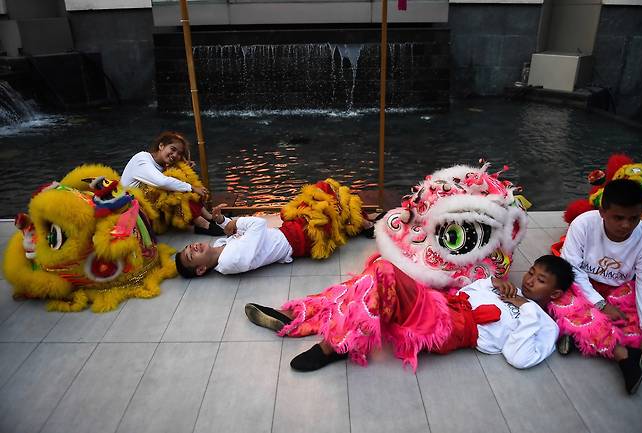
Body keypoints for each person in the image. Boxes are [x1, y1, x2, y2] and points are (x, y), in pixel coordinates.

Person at [244, 255, 573, 372]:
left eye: (540, 280)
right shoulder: (508, 290)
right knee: (369, 281)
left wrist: (526, 308)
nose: (529, 280)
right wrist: (492, 284)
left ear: (554, 294)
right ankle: (305, 317)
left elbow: (519, 357)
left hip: (450, 328)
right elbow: (463, 292)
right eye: (531, 272)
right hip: (442, 306)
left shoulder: (543, 323)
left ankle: (334, 344)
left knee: (383, 273)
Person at [553, 178, 642, 395]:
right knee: (555, 292)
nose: (626, 225)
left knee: (639, 316)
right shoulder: (583, 224)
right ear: (602, 212)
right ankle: (624, 356)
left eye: (634, 218)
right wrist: (600, 304)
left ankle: (576, 333)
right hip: (582, 285)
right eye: (618, 217)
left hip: (621, 290)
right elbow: (571, 268)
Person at [175, 178, 377, 277]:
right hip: (299, 239)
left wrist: (222, 222)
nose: (192, 247)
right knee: (324, 195)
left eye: (189, 247)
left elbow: (244, 234)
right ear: (201, 269)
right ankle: (365, 223)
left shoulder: (221, 247)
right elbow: (258, 225)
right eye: (190, 255)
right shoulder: (229, 261)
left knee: (319, 197)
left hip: (287, 232)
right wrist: (235, 223)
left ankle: (361, 224)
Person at [120, 131, 223, 235]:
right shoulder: (142, 159)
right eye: (172, 149)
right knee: (175, 188)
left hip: (150, 214)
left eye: (179, 153)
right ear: (161, 146)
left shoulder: (163, 165)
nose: (175, 155)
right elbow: (161, 182)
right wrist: (191, 187)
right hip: (132, 214)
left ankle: (208, 217)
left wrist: (183, 166)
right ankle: (202, 224)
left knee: (181, 177)